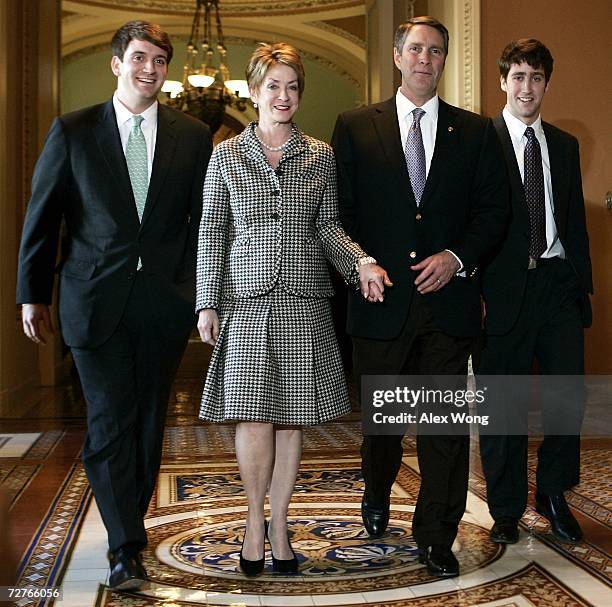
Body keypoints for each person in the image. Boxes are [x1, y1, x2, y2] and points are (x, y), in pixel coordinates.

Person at [16, 21, 212, 590]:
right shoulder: (73, 131)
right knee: (108, 424)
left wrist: (205, 296)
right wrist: (32, 292)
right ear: (116, 63)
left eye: (160, 61)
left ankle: (129, 521)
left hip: (162, 307)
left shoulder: (192, 135)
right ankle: (126, 544)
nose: (150, 70)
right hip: (92, 301)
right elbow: (43, 216)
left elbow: (203, 225)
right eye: (140, 58)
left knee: (148, 426)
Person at [196, 42, 389, 577]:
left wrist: (363, 264)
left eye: (292, 86)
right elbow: (214, 231)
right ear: (254, 92)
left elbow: (329, 228)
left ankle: (280, 523)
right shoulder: (227, 156)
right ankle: (253, 522)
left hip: (304, 304)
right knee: (253, 418)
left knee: (292, 419)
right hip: (248, 303)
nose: (284, 96)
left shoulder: (320, 154)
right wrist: (206, 302)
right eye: (273, 86)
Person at [331, 16, 509, 577]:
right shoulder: (356, 125)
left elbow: (493, 212)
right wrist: (361, 262)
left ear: (444, 60)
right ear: (396, 55)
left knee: (444, 432)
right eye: (415, 49)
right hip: (380, 305)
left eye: (435, 50)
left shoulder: (476, 132)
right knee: (381, 429)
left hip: (447, 309)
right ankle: (378, 489)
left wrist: (456, 258)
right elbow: (338, 213)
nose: (424, 59)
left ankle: (436, 535)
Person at [478, 39, 592, 546]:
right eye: (518, 76)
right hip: (503, 291)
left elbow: (574, 221)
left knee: (567, 398)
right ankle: (504, 509)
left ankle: (553, 493)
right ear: (503, 80)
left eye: (537, 78)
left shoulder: (564, 145)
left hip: (557, 285)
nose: (527, 87)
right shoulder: (481, 140)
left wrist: (579, 284)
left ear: (547, 84)